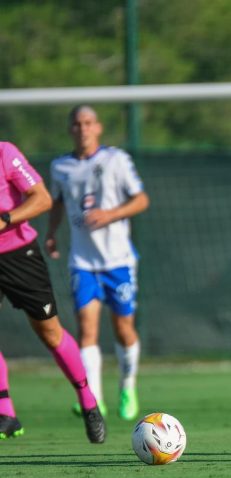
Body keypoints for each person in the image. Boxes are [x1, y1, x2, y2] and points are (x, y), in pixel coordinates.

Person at [46, 105, 149, 421]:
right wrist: (51, 233)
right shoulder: (61, 167)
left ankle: (127, 385)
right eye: (77, 124)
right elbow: (58, 203)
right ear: (70, 129)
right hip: (83, 262)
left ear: (98, 128)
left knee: (123, 328)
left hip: (118, 260)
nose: (83, 129)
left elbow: (141, 199)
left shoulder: (116, 159)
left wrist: (111, 214)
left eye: (88, 123)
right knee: (86, 329)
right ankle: (94, 400)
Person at [0, 140, 106, 443]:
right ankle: (6, 413)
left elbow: (43, 199)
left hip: (18, 254)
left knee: (50, 333)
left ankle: (88, 401)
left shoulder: (5, 153)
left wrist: (4, 219)